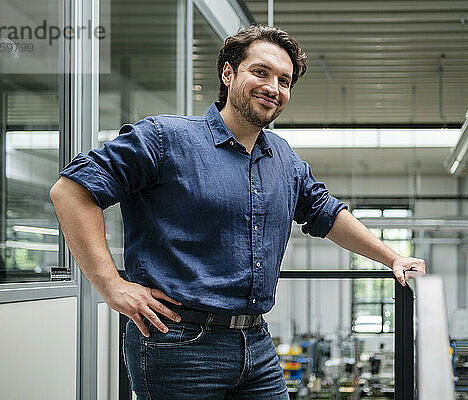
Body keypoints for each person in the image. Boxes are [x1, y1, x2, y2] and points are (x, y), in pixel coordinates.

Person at [50, 25, 426, 400]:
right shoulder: (166, 138)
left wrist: (392, 257)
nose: (273, 88)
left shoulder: (283, 158)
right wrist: (111, 286)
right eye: (260, 72)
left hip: (256, 342)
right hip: (178, 343)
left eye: (284, 80)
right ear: (228, 74)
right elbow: (71, 192)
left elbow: (326, 213)